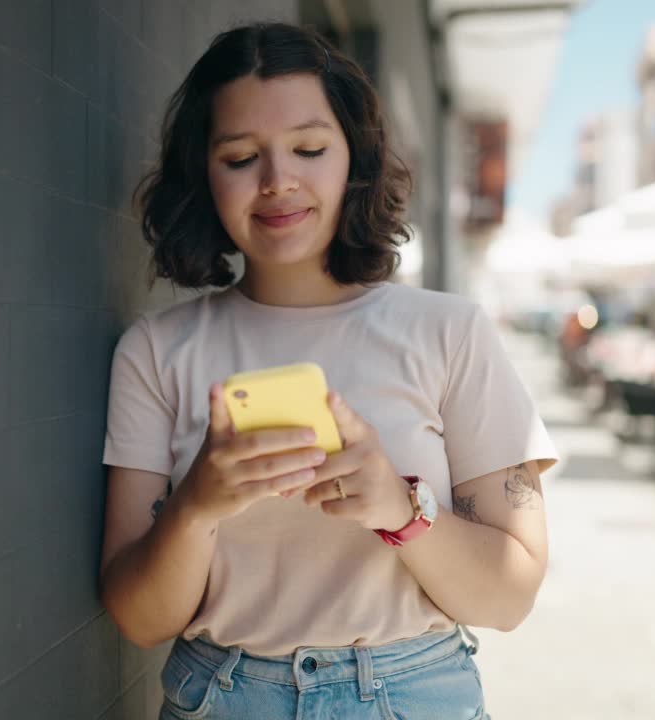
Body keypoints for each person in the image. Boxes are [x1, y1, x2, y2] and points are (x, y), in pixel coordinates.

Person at [99, 22, 558, 720]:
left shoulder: (451, 333)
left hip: (413, 697)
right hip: (221, 698)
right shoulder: (155, 353)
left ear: (356, 160)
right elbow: (139, 618)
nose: (279, 181)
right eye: (240, 157)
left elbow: (510, 596)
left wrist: (399, 510)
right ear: (204, 174)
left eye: (310, 148)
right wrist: (197, 504)